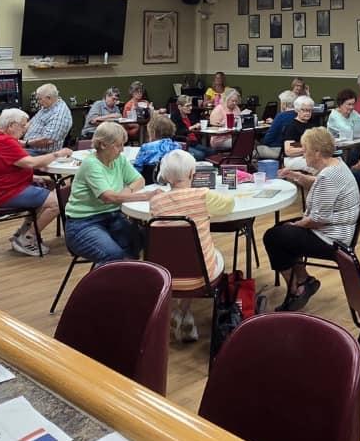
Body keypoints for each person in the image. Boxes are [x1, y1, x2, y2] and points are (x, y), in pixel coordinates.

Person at [265, 128, 360, 312]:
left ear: (317, 152)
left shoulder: (328, 176)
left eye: (305, 149)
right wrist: (296, 176)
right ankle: (304, 280)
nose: (303, 153)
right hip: (340, 230)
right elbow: (319, 185)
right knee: (282, 231)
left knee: (273, 236)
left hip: (332, 239)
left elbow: (318, 219)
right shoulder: (337, 165)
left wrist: (296, 225)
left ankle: (297, 288)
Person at [149, 150, 235, 342]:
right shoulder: (203, 195)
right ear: (192, 173)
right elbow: (229, 204)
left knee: (180, 255)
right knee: (209, 253)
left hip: (166, 276)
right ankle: (182, 312)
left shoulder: (156, 202)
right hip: (201, 277)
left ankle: (183, 313)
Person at [0, 109, 71, 256]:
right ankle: (27, 238)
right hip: (5, 193)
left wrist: (33, 178)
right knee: (57, 202)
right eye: (22, 125)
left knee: (49, 187)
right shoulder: (5, 142)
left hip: (3, 189)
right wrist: (58, 154)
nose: (25, 129)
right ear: (11, 125)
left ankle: (23, 232)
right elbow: (31, 163)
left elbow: (5, 168)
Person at [64, 122, 155, 264]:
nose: (122, 150)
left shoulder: (119, 159)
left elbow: (139, 180)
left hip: (112, 216)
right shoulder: (91, 164)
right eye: (118, 145)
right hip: (83, 223)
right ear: (102, 145)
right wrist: (146, 196)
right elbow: (108, 197)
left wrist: (126, 192)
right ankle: (103, 283)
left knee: (142, 240)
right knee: (113, 254)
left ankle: (126, 280)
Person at [22, 83, 72, 155]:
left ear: (49, 98)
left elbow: (48, 140)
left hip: (42, 153)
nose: (38, 102)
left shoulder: (59, 114)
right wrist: (19, 133)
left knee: (10, 156)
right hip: (30, 147)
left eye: (40, 99)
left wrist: (26, 143)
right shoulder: (47, 106)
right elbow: (31, 122)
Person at [132, 112, 181, 178]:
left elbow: (137, 169)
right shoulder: (177, 146)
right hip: (171, 180)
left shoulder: (147, 147)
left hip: (150, 181)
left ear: (153, 132)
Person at [282, 95, 321, 170]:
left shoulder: (313, 124)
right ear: (297, 110)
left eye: (309, 110)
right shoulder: (291, 126)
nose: (307, 113)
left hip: (308, 156)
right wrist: (308, 149)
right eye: (304, 110)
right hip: (292, 159)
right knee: (318, 164)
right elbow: (289, 150)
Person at [165, 94, 208, 161]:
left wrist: (199, 126)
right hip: (182, 143)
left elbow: (197, 125)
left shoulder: (191, 114)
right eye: (187, 106)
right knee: (200, 155)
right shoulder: (175, 117)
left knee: (211, 151)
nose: (190, 108)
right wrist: (191, 128)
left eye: (191, 105)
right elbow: (177, 133)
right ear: (179, 107)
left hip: (194, 142)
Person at [258, 90, 297, 160]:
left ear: (284, 104)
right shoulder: (298, 115)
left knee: (254, 145)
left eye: (281, 103)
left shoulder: (280, 116)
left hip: (277, 149)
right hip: (293, 147)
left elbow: (267, 139)